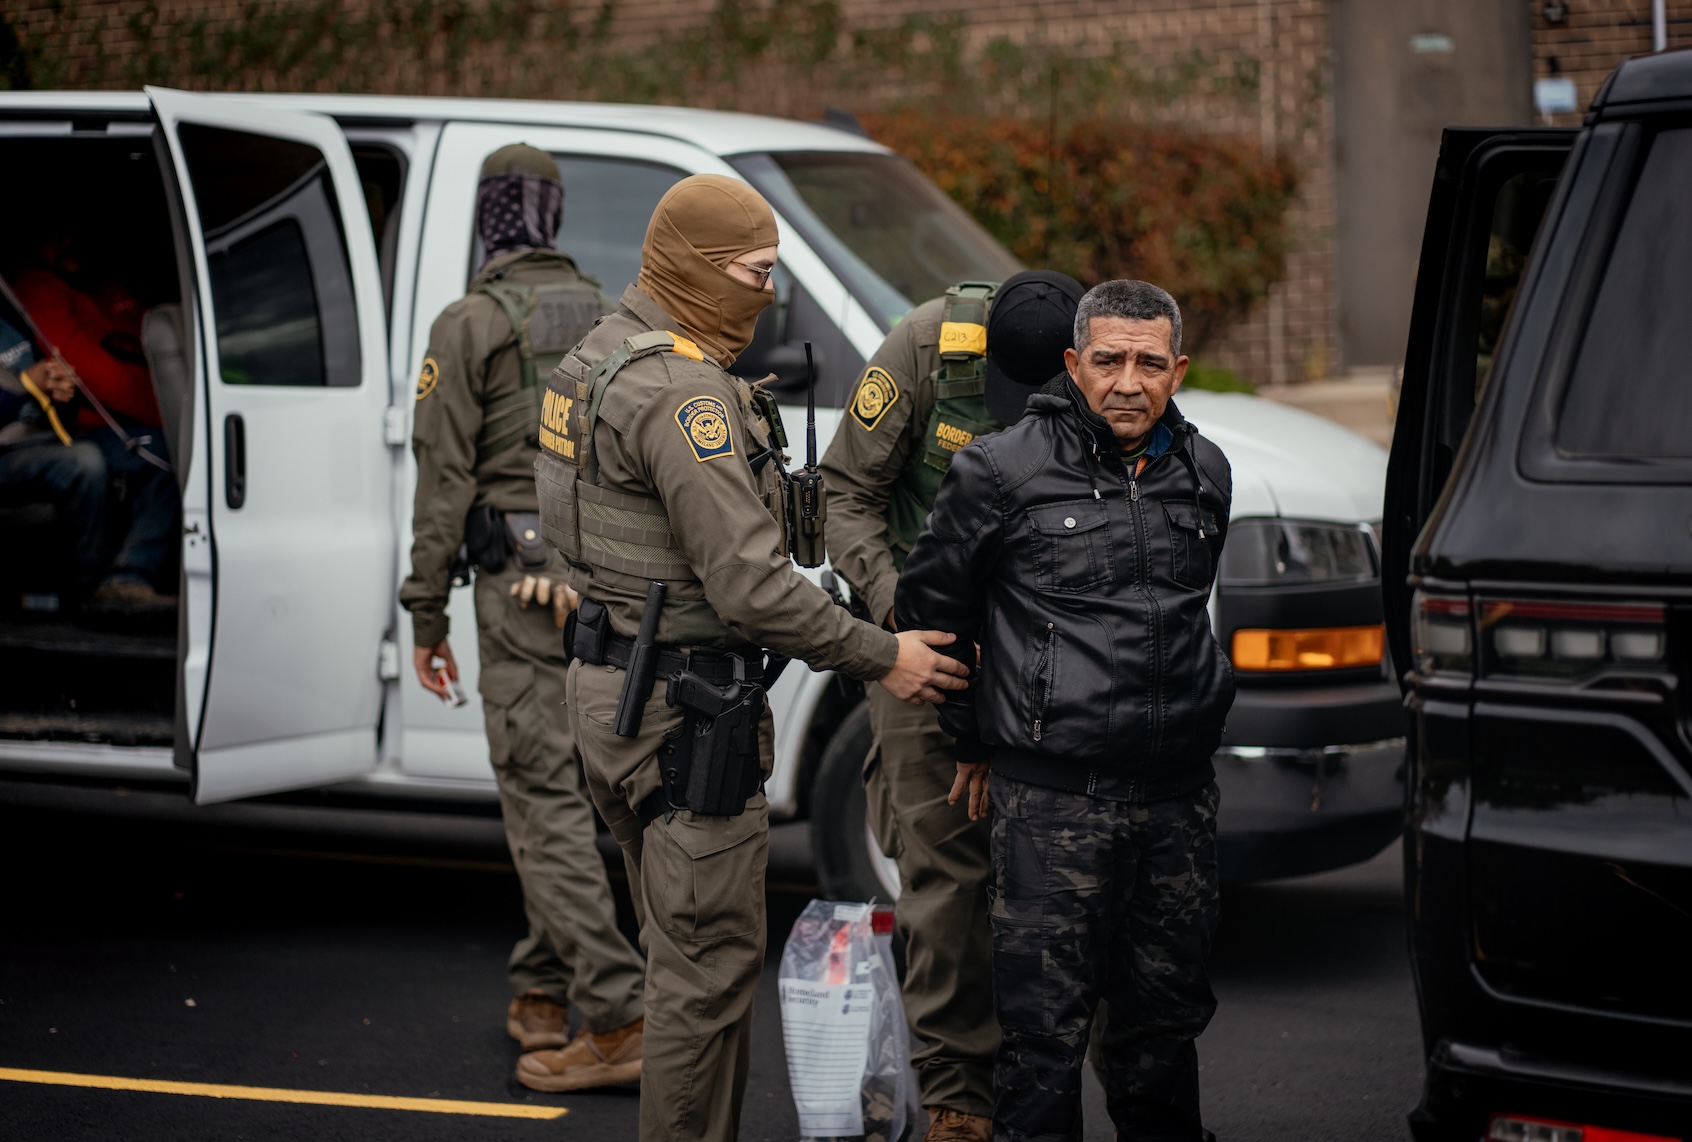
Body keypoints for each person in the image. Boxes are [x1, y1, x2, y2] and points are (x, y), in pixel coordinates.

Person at [534, 172, 970, 1142]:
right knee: (706, 974)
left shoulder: (598, 354)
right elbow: (752, 589)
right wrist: (883, 655)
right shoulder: (683, 395)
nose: (767, 294)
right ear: (693, 265)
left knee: (677, 955)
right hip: (686, 716)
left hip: (611, 687)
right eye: (754, 271)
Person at [897, 280, 1234, 1142]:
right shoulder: (998, 469)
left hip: (1177, 806)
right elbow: (932, 612)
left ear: (1178, 371)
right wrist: (972, 736)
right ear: (1073, 364)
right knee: (1041, 1044)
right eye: (1109, 360)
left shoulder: (1206, 471)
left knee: (1163, 1034)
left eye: (1149, 364)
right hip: (1053, 807)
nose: (1128, 382)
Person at [398, 144, 649, 1092]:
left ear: (489, 219)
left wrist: (425, 612)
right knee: (574, 790)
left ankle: (619, 1014)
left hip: (518, 589)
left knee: (542, 804)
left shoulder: (469, 321)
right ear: (552, 214)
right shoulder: (613, 319)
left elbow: (442, 481)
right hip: (606, 587)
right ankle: (541, 987)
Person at [820, 270, 1084, 1142]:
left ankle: (1050, 1082)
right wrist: (899, 609)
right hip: (927, 646)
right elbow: (844, 494)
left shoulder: (1110, 361)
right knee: (944, 876)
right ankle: (958, 1096)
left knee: (1065, 877)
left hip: (1050, 653)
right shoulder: (926, 348)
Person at [14, 240, 177, 611]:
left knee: (161, 449)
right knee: (138, 455)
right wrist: (164, 412)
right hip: (61, 431)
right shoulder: (37, 286)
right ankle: (106, 586)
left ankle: (121, 583)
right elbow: (82, 367)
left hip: (109, 423)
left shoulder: (108, 292)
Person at [0, 318, 109, 594]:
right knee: (85, 462)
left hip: (42, 439)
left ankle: (127, 580)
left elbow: (48, 403)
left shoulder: (12, 320)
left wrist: (60, 388)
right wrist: (25, 385)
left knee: (151, 448)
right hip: (7, 452)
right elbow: (26, 386)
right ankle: (87, 590)